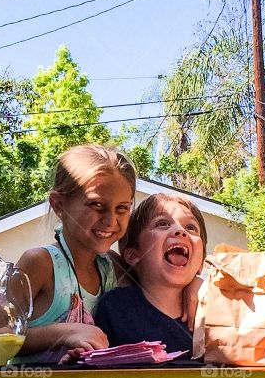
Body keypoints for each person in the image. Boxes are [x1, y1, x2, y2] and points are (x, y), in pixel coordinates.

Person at [14, 144, 136, 361]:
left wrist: (194, 289)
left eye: (122, 208)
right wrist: (65, 332)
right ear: (59, 205)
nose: (110, 221)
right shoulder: (41, 263)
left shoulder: (112, 268)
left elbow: (156, 295)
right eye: (96, 205)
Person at [92, 192, 207, 355]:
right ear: (133, 255)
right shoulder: (116, 308)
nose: (180, 231)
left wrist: (205, 287)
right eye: (162, 223)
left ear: (201, 262)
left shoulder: (214, 306)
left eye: (190, 227)